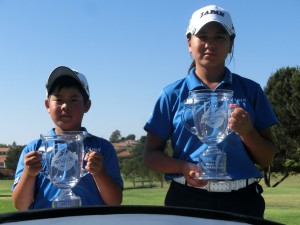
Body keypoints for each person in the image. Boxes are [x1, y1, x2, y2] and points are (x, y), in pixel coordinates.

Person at [143, 5, 277, 218]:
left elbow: (267, 158)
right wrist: (183, 167)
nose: (210, 44)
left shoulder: (251, 91)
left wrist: (247, 131)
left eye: (220, 37)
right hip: (186, 200)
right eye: (202, 36)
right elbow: (150, 155)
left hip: (242, 201)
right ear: (189, 43)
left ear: (231, 43)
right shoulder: (171, 94)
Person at [12, 66, 123, 210]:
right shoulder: (33, 149)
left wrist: (99, 173)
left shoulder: (102, 148)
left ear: (87, 105)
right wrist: (28, 174)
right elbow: (20, 205)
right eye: (58, 100)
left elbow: (115, 201)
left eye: (74, 99)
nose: (65, 106)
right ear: (47, 105)